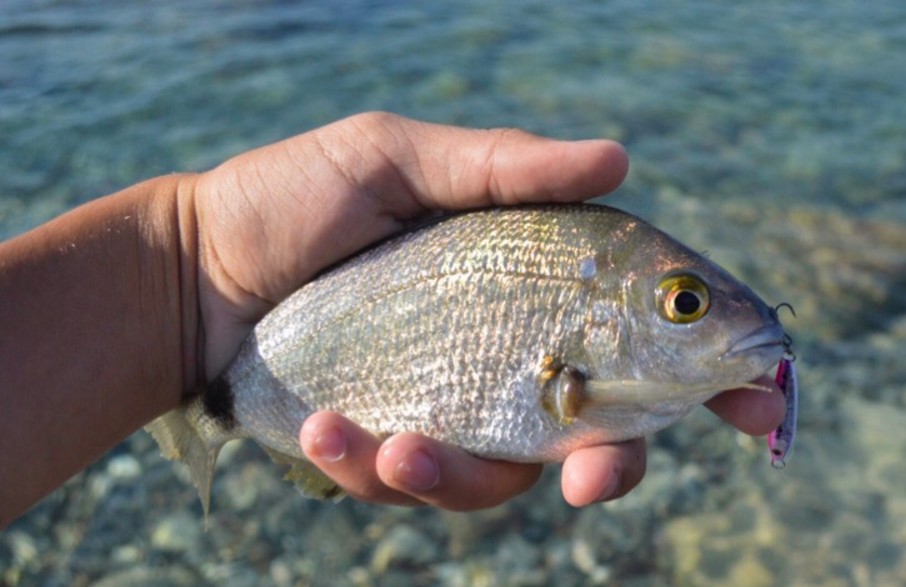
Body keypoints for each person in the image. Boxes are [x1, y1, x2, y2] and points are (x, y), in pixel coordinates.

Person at [0, 112, 785, 528]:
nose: (703, 316)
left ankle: (214, 411)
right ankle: (212, 416)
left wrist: (187, 274)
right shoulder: (597, 375)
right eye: (683, 304)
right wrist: (188, 270)